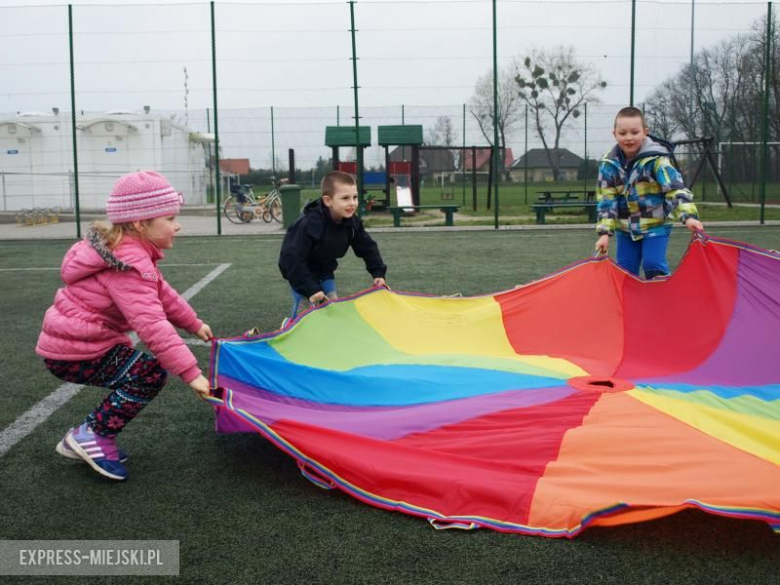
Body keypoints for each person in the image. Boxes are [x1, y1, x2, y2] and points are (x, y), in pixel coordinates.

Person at [35, 171, 213, 481]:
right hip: (77, 350)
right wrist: (191, 373)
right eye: (170, 218)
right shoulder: (128, 263)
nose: (178, 225)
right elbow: (151, 323)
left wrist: (193, 323)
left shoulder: (128, 252)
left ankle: (93, 434)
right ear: (141, 224)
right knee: (149, 373)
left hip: (77, 344)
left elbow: (162, 293)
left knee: (143, 371)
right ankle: (92, 435)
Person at [595, 106, 704, 279]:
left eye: (634, 132)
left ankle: (662, 300)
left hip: (655, 226)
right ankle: (631, 304)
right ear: (614, 134)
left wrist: (688, 216)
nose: (629, 138)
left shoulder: (657, 160)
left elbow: (675, 188)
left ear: (645, 132)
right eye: (623, 133)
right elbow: (607, 200)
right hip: (626, 230)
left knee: (653, 265)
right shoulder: (609, 165)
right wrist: (604, 234)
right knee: (625, 272)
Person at [278, 170, 387, 319]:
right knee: (305, 315)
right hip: (301, 274)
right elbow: (290, 261)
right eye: (345, 198)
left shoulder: (351, 222)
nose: (352, 203)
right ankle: (290, 330)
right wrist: (311, 289)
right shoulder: (308, 225)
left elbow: (367, 247)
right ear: (328, 201)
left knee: (332, 308)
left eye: (355, 197)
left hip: (324, 272)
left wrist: (378, 273)